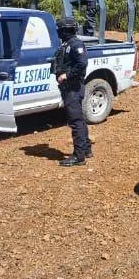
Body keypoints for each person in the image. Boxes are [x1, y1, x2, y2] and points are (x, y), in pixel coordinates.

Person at [52, 16, 92, 166]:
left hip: (73, 88)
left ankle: (78, 156)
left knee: (75, 122)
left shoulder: (76, 44)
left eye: (60, 30)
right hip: (69, 88)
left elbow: (82, 64)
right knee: (79, 119)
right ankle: (86, 149)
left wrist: (66, 75)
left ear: (66, 30)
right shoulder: (66, 44)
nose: (58, 32)